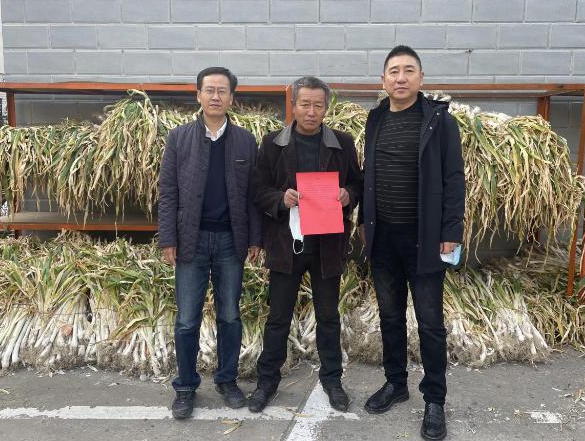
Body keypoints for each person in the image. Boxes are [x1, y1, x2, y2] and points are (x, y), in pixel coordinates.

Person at [358, 46, 465, 440]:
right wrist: (364, 222)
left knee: (430, 323)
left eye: (408, 71)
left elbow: (454, 178)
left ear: (421, 78)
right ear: (383, 80)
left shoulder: (439, 120)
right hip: (383, 237)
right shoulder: (375, 119)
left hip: (424, 239)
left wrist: (451, 231)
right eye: (393, 71)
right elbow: (369, 175)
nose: (400, 78)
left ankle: (434, 399)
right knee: (390, 316)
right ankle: (396, 383)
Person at [247, 76, 363, 413]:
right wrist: (280, 199)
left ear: (326, 108)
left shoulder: (342, 143)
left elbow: (358, 183)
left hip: (327, 245)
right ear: (293, 106)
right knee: (278, 318)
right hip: (288, 244)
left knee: (328, 316)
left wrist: (348, 195)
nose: (311, 111)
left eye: (318, 105)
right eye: (305, 104)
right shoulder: (273, 144)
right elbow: (258, 190)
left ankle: (332, 380)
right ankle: (267, 382)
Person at [158, 66, 262, 419]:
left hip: (231, 241)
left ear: (232, 98)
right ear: (198, 96)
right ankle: (185, 386)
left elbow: (253, 196)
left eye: (222, 91)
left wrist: (255, 238)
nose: (215, 96)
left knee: (230, 315)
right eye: (209, 90)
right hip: (192, 239)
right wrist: (168, 238)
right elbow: (168, 192)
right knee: (187, 319)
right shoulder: (179, 138)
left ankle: (227, 380)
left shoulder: (245, 141)